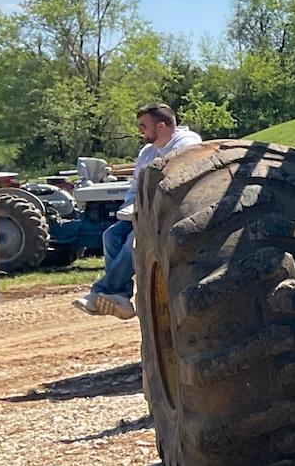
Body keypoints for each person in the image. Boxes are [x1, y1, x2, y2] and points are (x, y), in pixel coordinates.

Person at [73, 103, 202, 318]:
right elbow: (135, 187)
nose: (140, 131)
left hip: (174, 212)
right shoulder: (147, 152)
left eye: (144, 126)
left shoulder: (187, 144)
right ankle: (120, 295)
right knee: (111, 236)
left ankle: (105, 291)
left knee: (133, 242)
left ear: (161, 126)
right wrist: (129, 208)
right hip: (145, 212)